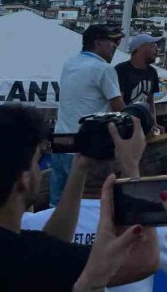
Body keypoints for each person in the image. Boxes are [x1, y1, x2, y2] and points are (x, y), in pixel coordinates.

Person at [0, 104, 159, 291]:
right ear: (23, 180)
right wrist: (131, 166)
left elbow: (53, 241)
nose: (40, 170)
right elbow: (144, 259)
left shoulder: (25, 253)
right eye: (37, 161)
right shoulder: (27, 258)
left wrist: (80, 168)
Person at [52, 24, 125, 205]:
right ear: (98, 43)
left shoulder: (69, 64)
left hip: (61, 144)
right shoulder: (103, 69)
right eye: (111, 42)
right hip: (86, 150)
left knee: (56, 206)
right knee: (84, 209)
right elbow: (120, 109)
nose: (115, 46)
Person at [115, 33, 165, 134]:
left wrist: (153, 123)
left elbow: (150, 101)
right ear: (141, 47)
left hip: (143, 126)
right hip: (125, 127)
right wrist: (134, 125)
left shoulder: (152, 72)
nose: (157, 49)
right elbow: (117, 102)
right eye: (153, 45)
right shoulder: (121, 70)